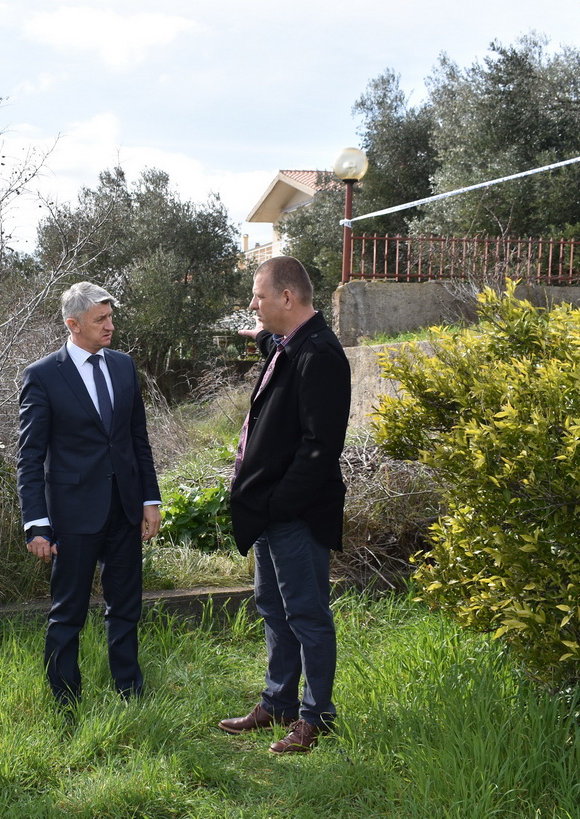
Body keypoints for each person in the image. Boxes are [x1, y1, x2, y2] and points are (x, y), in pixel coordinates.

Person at [217, 256, 351, 754]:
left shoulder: (321, 356)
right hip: (273, 514)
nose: (253, 305)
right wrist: (260, 329)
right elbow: (269, 340)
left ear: (288, 299)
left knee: (307, 615)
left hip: (295, 514)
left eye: (259, 297)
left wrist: (278, 504)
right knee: (273, 608)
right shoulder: (288, 344)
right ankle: (278, 703)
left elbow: (320, 447)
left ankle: (317, 718)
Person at [17, 281, 162, 709]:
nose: (110, 326)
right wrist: (37, 522)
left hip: (124, 509)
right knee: (68, 612)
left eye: (111, 317)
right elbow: (30, 457)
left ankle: (129, 692)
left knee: (126, 608)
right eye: (101, 319)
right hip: (72, 516)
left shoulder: (123, 366)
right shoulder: (42, 375)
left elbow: (139, 440)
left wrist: (149, 500)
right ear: (72, 324)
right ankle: (65, 701)